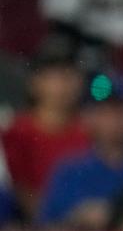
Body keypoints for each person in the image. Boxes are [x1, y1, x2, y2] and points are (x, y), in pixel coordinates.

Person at [37, 73, 123, 231]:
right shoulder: (70, 172)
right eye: (105, 112)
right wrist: (76, 220)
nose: (114, 120)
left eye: (121, 110)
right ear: (88, 117)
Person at [1, 38, 89, 220]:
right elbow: (20, 191)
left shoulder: (90, 132)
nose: (62, 85)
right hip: (30, 228)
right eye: (53, 76)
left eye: (68, 75)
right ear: (34, 82)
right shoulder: (15, 133)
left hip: (85, 229)